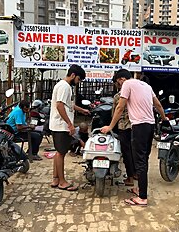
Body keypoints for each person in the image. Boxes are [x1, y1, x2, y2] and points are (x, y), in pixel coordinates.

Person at [101, 69, 167, 206]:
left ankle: (142, 198)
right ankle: (140, 189)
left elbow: (120, 107)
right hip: (150, 126)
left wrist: (110, 126)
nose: (119, 84)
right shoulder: (146, 86)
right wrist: (164, 118)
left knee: (140, 162)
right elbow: (158, 104)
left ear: (121, 79)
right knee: (144, 159)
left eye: (118, 81)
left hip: (139, 126)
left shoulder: (127, 84)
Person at [49, 64, 90, 191]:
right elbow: (60, 105)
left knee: (58, 152)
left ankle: (56, 178)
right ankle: (62, 182)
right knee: (61, 153)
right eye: (78, 79)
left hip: (59, 125)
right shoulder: (64, 86)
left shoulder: (64, 86)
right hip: (61, 126)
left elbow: (69, 105)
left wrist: (82, 110)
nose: (78, 82)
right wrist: (70, 124)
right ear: (73, 75)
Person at [112, 75, 136, 186]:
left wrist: (111, 126)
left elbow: (115, 112)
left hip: (123, 127)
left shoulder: (118, 96)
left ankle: (130, 178)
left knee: (126, 153)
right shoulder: (136, 94)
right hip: (136, 126)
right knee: (135, 151)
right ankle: (136, 174)